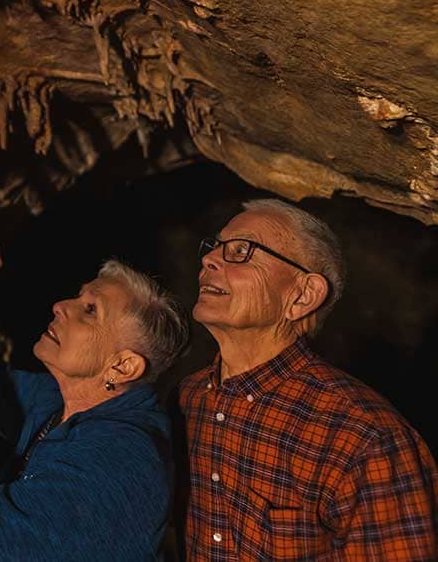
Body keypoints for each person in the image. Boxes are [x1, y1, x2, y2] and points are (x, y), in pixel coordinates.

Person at [0, 232, 191, 561]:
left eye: (90, 310)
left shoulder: (120, 458)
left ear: (122, 366)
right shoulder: (65, 404)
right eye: (78, 297)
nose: (60, 306)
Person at [176, 198, 438, 560]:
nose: (208, 259)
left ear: (302, 296)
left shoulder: (364, 435)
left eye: (241, 250)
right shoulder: (188, 399)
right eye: (215, 246)